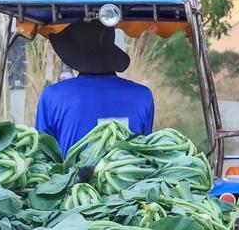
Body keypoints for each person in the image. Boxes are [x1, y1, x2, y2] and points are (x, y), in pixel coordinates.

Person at [35, 19, 155, 154]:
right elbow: (145, 150)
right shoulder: (143, 96)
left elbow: (43, 154)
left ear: (74, 55)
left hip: (71, 176)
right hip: (126, 174)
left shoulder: (52, 96)